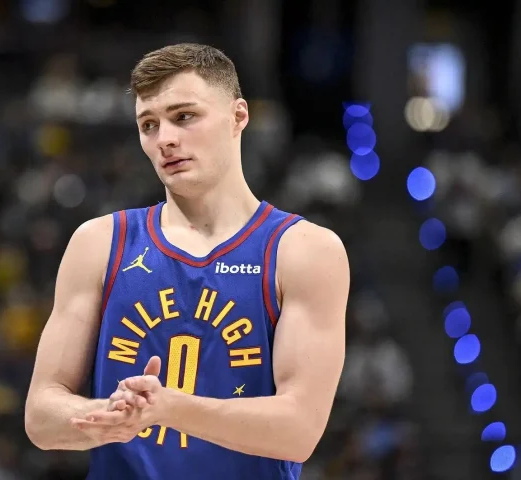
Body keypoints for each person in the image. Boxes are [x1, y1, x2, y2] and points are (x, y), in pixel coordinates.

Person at [24, 43, 349, 480]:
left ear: (238, 117)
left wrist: (169, 409)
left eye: (184, 116)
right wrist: (108, 416)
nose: (165, 140)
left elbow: (299, 430)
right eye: (148, 125)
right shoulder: (100, 242)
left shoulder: (304, 250)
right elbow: (41, 416)